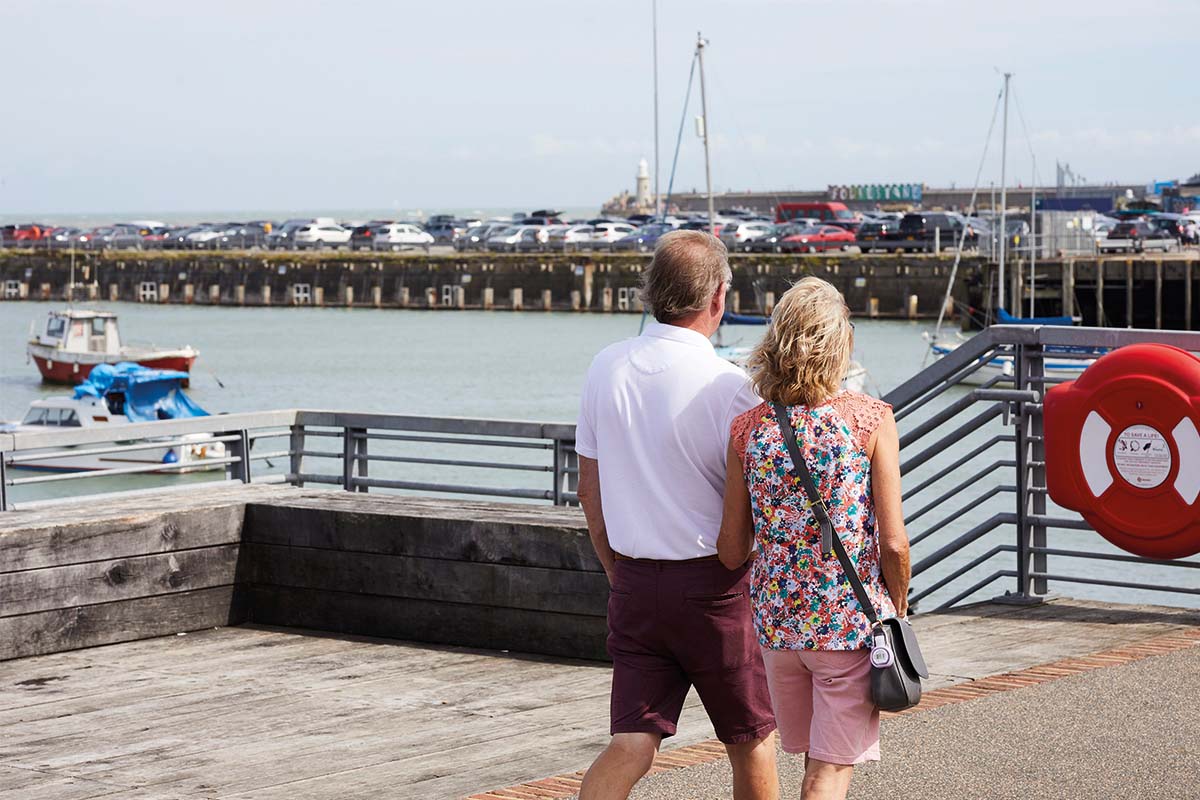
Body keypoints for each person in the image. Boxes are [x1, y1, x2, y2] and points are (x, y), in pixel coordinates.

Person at [575, 230, 779, 800]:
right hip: (715, 589)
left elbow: (589, 491)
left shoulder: (605, 367)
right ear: (717, 298)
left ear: (652, 292)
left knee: (632, 740)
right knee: (750, 739)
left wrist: (617, 570)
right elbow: (762, 500)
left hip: (636, 580)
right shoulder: (732, 387)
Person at [717, 277, 911, 800]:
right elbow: (893, 543)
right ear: (839, 342)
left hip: (778, 628)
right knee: (828, 772)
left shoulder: (748, 429)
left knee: (812, 763)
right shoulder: (870, 419)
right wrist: (897, 605)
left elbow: (731, 549)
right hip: (846, 625)